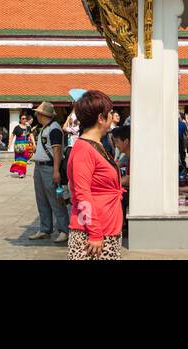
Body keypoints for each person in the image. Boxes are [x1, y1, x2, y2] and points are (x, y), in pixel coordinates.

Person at [65, 90, 124, 260]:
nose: (113, 117)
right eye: (110, 113)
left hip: (107, 226)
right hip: (93, 233)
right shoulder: (83, 149)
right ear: (100, 118)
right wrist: (95, 233)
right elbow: (82, 193)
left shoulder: (97, 145)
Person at [29, 101, 68, 243]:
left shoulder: (54, 129)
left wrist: (56, 170)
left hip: (50, 167)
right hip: (40, 166)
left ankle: (64, 230)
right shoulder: (44, 128)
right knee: (42, 199)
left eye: (38, 113)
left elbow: (57, 150)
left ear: (42, 114)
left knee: (56, 200)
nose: (36, 115)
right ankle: (45, 228)